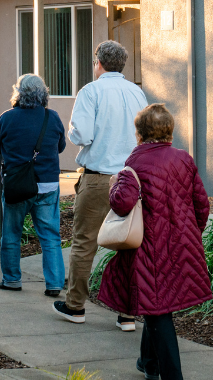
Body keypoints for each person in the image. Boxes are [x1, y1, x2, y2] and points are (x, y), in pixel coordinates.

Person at [97, 103, 211, 380]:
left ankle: (171, 375)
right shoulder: (184, 159)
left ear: (140, 134)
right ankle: (149, 362)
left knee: (158, 308)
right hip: (181, 245)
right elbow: (202, 205)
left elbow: (123, 204)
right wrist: (189, 235)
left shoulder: (135, 163)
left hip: (150, 249)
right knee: (157, 303)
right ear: (169, 132)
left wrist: (115, 185)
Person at [54, 40, 147, 331]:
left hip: (97, 178)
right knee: (130, 246)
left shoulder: (90, 91)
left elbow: (81, 134)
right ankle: (127, 315)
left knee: (84, 243)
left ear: (98, 63)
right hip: (131, 179)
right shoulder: (137, 92)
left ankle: (76, 306)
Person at [0, 73, 67, 295]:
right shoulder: (52, 117)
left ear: (18, 93)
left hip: (17, 186)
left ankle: (11, 280)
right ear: (43, 94)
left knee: (11, 233)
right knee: (50, 237)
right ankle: (55, 283)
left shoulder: (7, 118)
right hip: (47, 185)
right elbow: (61, 147)